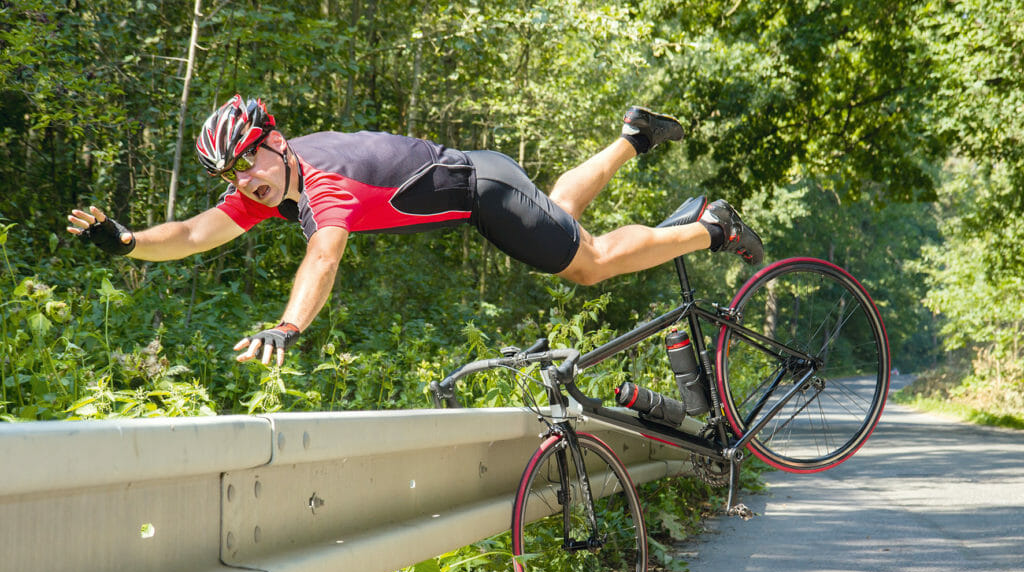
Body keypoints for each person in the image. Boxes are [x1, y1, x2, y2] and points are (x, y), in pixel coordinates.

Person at [67, 96, 763, 367]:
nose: (244, 179)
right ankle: (633, 139)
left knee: (590, 262)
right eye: (232, 171)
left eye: (249, 157)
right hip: (485, 184)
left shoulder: (318, 178)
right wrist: (128, 242)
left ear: (275, 139)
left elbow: (324, 254)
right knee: (562, 215)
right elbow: (192, 234)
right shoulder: (271, 181)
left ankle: (708, 226)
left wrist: (288, 324)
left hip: (484, 194)